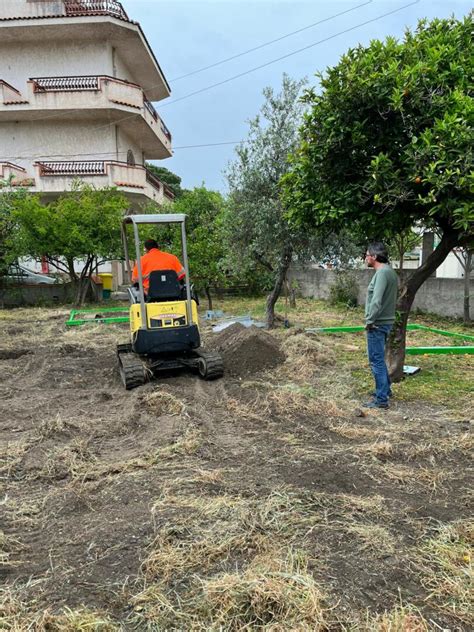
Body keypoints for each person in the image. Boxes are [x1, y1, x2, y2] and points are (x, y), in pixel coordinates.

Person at [363, 242, 398, 409]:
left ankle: (381, 399)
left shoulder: (382, 273)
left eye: (367, 254)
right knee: (379, 359)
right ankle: (385, 390)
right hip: (386, 321)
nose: (365, 257)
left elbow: (376, 301)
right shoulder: (389, 272)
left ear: (374, 257)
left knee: (375, 360)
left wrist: (369, 321)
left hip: (377, 323)